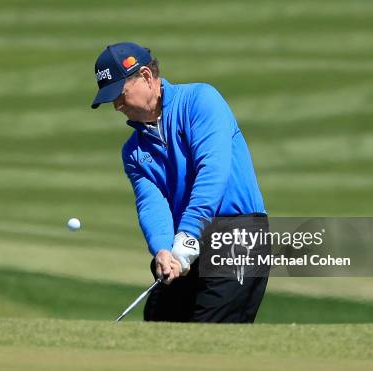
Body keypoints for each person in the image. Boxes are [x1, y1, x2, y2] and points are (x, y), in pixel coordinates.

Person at [91, 42, 268, 323]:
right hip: (182, 240)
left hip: (237, 232)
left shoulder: (200, 100)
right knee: (159, 318)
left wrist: (188, 234)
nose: (116, 106)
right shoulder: (134, 151)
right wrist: (162, 249)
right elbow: (152, 202)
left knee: (208, 332)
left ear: (147, 77)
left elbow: (212, 170)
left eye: (120, 94)